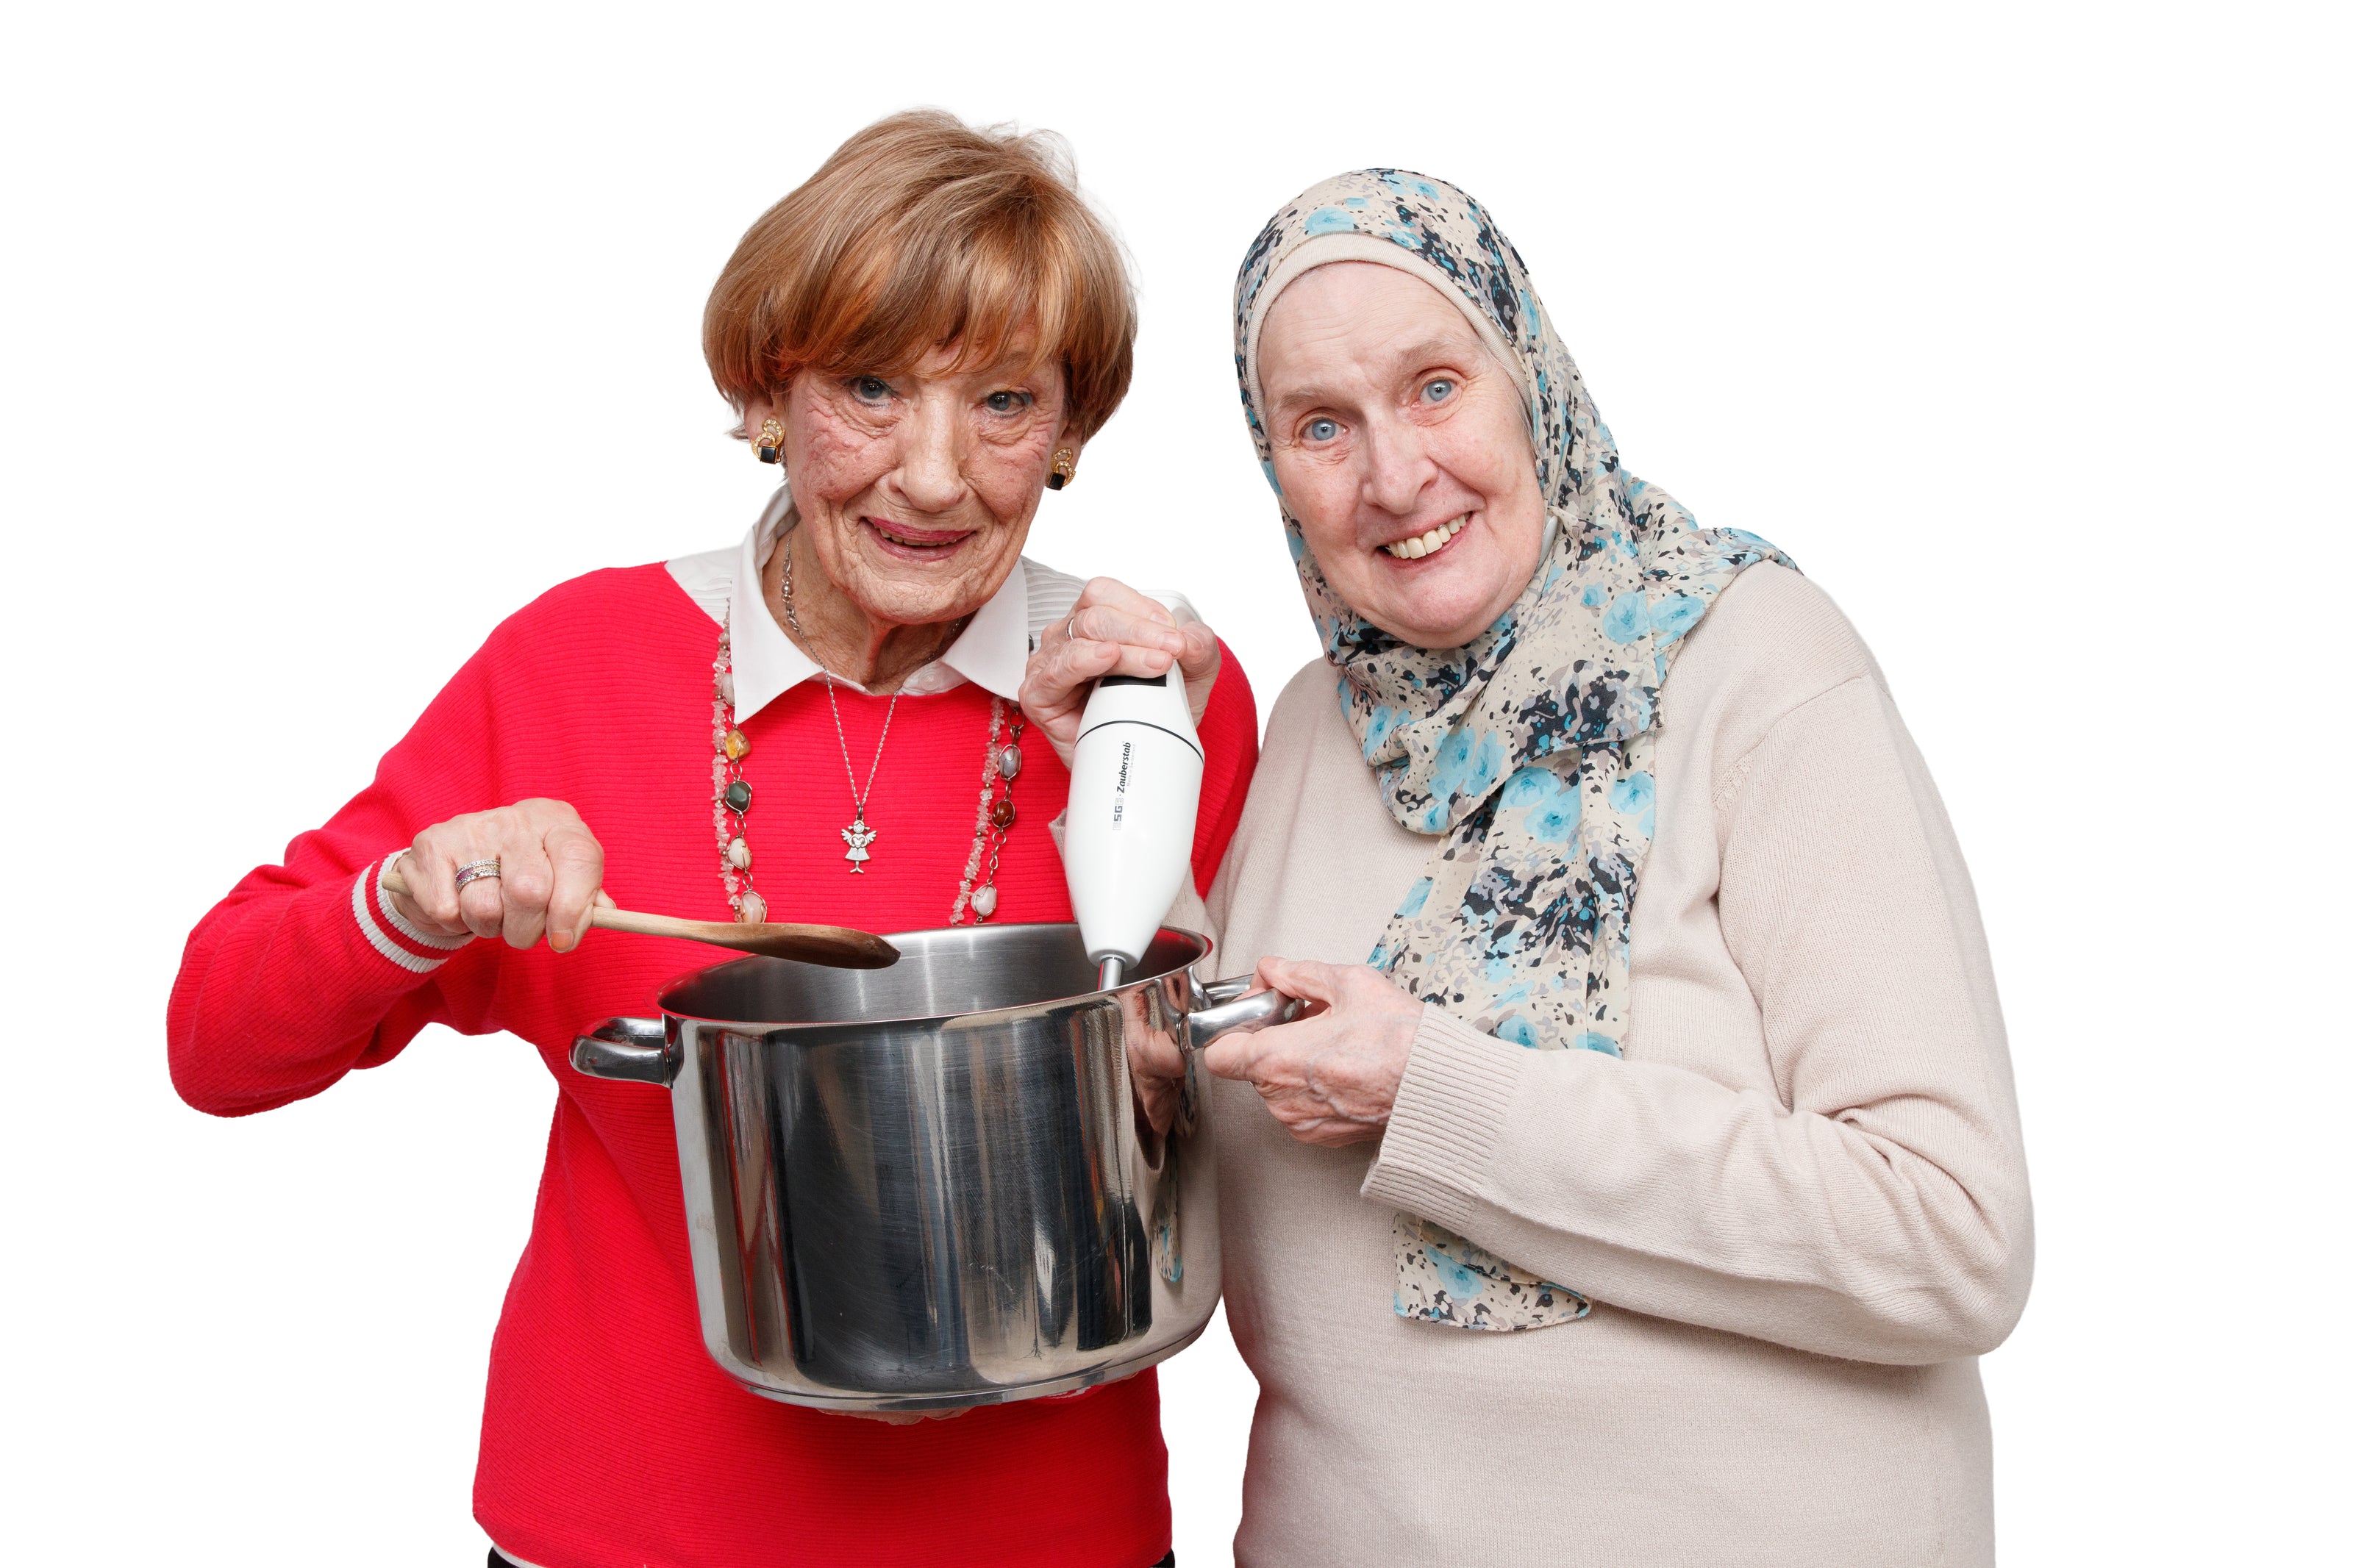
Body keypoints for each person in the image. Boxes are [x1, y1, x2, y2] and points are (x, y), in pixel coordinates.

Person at [166, 110, 1255, 1568]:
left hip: (1043, 1536)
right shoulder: (574, 665)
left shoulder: (1154, 695)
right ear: (765, 389)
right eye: (871, 388)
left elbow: (1254, 1122)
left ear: (1065, 434)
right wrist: (413, 898)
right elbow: (215, 1043)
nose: (934, 477)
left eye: (1003, 401)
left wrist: (1138, 851)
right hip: (623, 1532)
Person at [1180, 170, 2029, 1565]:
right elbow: (1239, 1247)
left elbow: (1948, 1235)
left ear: (1532, 375)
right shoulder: (1301, 731)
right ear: (1273, 466)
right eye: (1321, 425)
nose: (1394, 476)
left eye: (1436, 386)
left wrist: (1438, 1093)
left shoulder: (1754, 665)